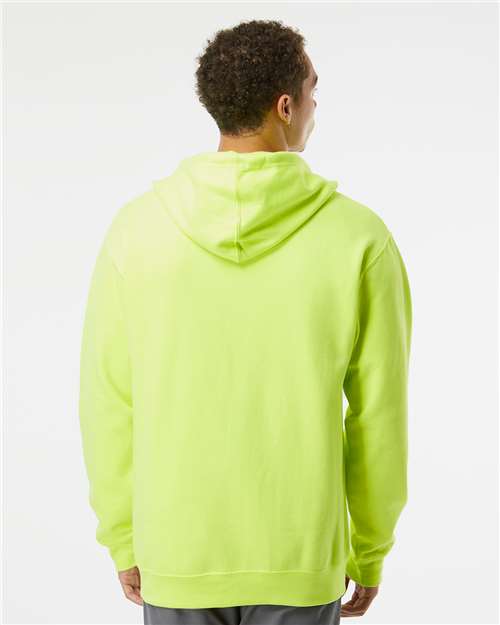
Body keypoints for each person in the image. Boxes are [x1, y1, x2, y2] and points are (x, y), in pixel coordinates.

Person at [78, 19, 412, 625]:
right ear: (285, 107)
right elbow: (378, 416)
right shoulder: (360, 240)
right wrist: (369, 548)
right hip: (300, 559)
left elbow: (108, 403)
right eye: (312, 90)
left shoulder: (136, 232)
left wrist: (124, 537)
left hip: (177, 553)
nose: (315, 105)